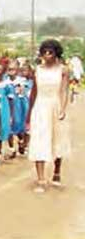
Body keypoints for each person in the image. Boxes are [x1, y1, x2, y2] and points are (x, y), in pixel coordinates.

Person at [26, 40, 72, 192]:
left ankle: (57, 172)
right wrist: (29, 113)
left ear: (56, 53)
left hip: (55, 105)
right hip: (40, 106)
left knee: (57, 139)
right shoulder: (37, 70)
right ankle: (40, 179)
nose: (47, 54)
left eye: (50, 52)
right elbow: (33, 92)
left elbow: (65, 90)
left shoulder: (63, 70)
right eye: (44, 51)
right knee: (39, 139)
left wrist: (63, 108)